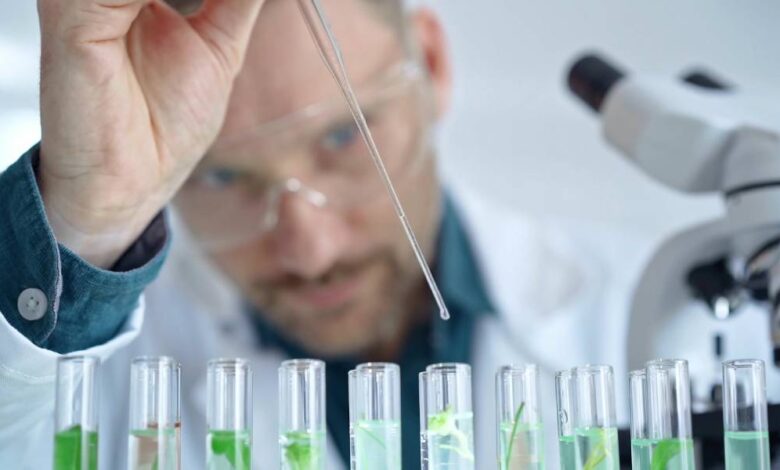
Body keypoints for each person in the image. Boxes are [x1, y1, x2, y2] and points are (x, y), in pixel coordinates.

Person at [0, 0, 652, 468]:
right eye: (223, 178)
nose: (310, 251)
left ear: (430, 62)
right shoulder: (94, 374)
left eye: (344, 138)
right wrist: (91, 219)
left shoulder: (668, 315)